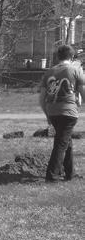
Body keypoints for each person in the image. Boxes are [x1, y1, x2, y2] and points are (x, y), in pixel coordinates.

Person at [39, 44, 85, 182]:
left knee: (65, 141)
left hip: (52, 111)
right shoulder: (75, 70)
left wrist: (47, 115)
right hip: (68, 112)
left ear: (58, 57)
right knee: (60, 144)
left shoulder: (48, 72)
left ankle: (70, 173)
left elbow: (42, 98)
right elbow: (83, 91)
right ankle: (52, 175)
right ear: (72, 57)